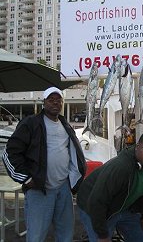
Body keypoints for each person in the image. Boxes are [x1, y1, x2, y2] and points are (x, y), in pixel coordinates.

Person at [2, 86, 86, 242]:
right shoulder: (31, 123)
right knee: (36, 236)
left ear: (62, 103)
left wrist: (73, 180)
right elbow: (9, 153)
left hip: (63, 188)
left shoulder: (64, 124)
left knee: (66, 234)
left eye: (58, 100)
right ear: (44, 103)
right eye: (51, 100)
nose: (55, 103)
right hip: (39, 189)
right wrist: (26, 179)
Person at [76, 130, 143, 242]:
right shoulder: (121, 167)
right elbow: (96, 202)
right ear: (137, 147)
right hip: (93, 205)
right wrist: (102, 235)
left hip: (125, 207)